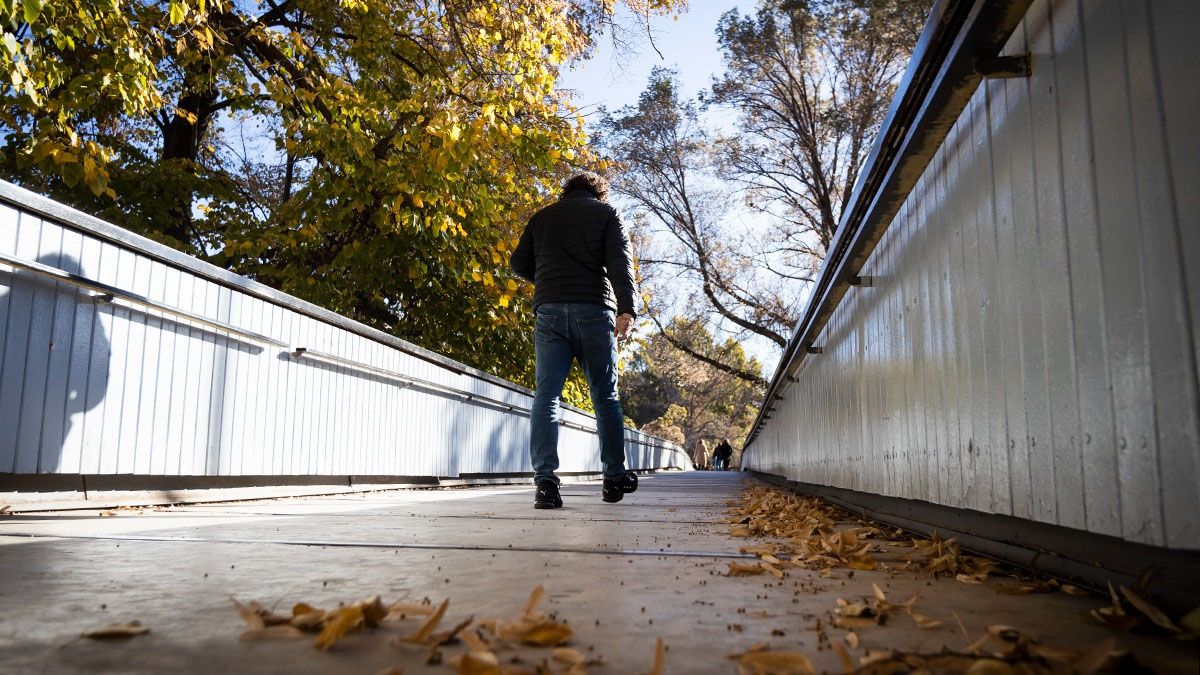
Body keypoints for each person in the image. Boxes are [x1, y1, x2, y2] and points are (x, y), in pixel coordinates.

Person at [510, 171, 640, 509]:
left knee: (546, 397)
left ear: (566, 190)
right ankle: (613, 478)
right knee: (605, 397)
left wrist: (549, 282)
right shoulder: (607, 214)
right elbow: (619, 264)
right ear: (600, 193)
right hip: (594, 311)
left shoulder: (542, 217)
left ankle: (546, 484)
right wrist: (627, 310)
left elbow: (518, 263)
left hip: (549, 312)